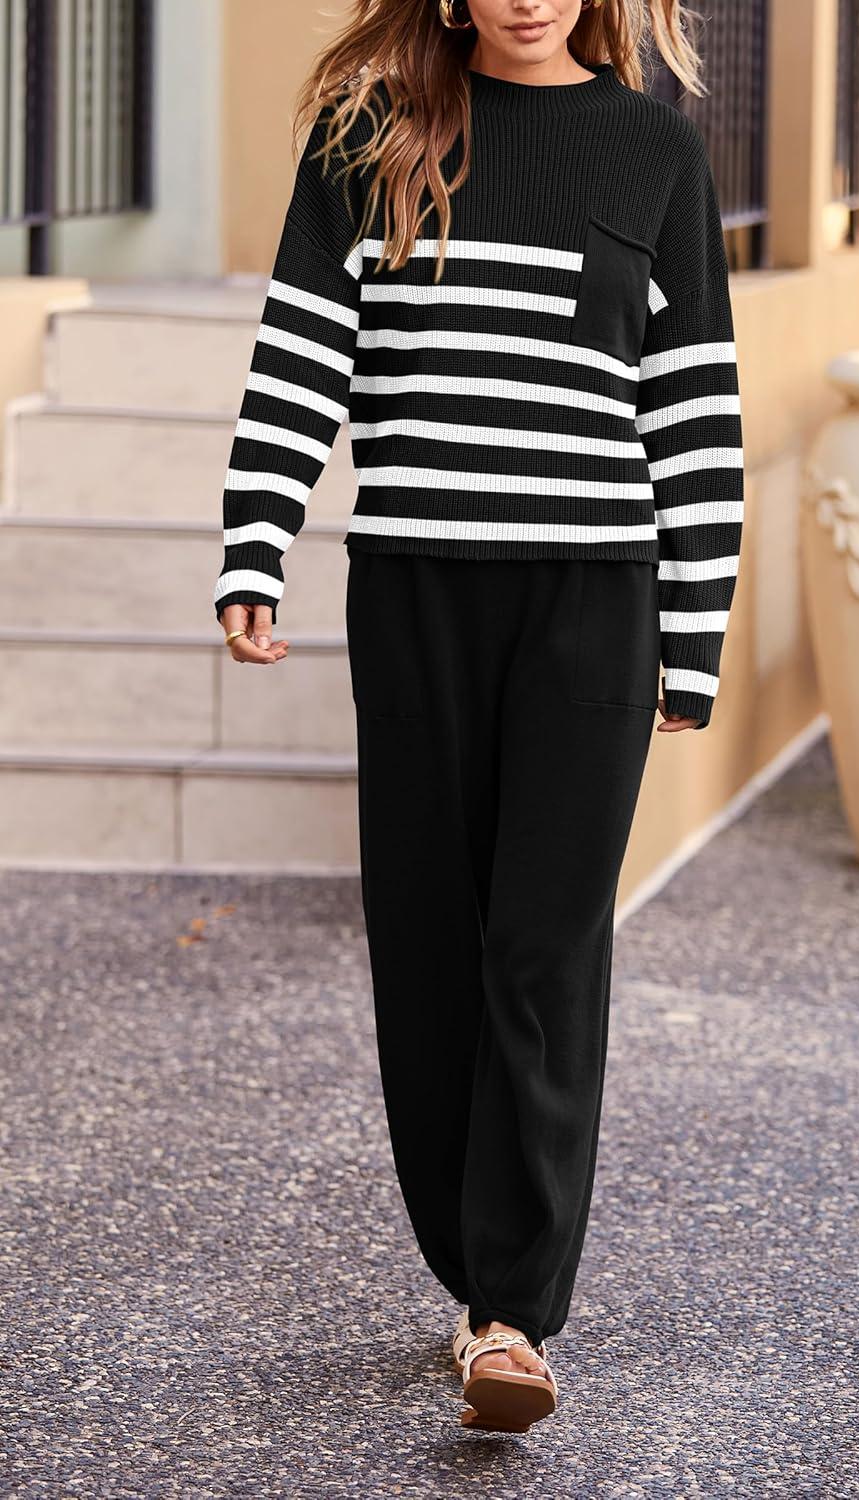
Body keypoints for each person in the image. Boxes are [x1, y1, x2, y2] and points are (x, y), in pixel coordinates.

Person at [213, 0, 743, 1434]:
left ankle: (511, 1312)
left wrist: (691, 635)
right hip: (417, 592)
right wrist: (256, 543)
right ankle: (469, 1259)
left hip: (594, 597)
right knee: (431, 935)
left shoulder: (653, 151)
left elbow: (692, 407)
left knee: (545, 946)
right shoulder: (368, 139)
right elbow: (301, 353)